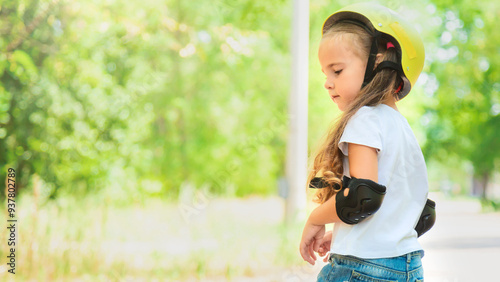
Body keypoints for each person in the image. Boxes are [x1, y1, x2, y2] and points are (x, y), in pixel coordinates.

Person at [299, 3, 435, 282]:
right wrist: (341, 233)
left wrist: (316, 218)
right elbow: (418, 214)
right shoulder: (403, 129)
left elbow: (362, 198)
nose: (327, 82)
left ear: (378, 63)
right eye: (325, 73)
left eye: (336, 71)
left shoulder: (365, 119)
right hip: (407, 268)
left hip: (362, 269)